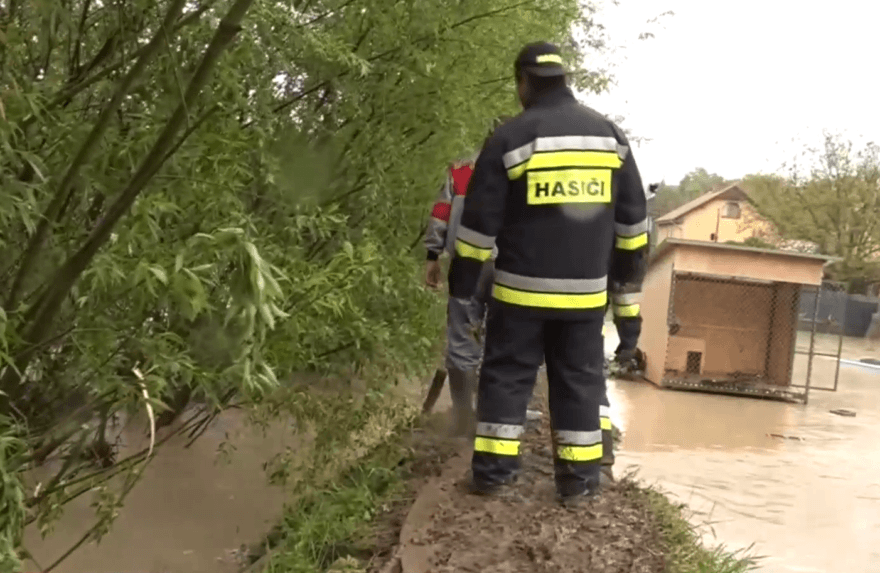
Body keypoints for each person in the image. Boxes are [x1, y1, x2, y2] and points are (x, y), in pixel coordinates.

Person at [448, 42, 648, 504]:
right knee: (578, 382)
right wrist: (620, 283)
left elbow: (477, 227)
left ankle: (494, 476)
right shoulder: (610, 137)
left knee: (506, 377)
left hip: (519, 296)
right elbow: (633, 226)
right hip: (583, 300)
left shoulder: (511, 137)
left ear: (523, 82)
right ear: (563, 78)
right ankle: (578, 485)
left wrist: (464, 292)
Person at [424, 117, 510, 436]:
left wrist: (432, 256)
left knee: (461, 339)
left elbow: (440, 214)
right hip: (509, 268)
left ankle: (462, 419)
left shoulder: (460, 170)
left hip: (465, 264)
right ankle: (492, 418)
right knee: (503, 339)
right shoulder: (524, 172)